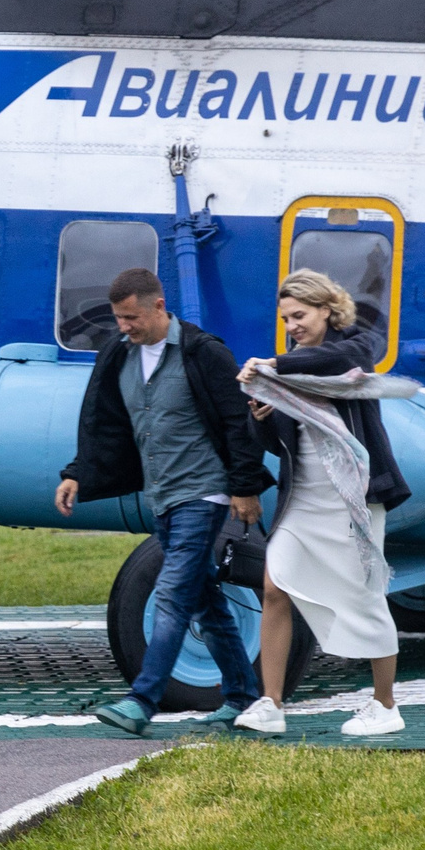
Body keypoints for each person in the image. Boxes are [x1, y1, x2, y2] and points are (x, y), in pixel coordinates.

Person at [55, 267, 272, 737]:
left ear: (158, 306)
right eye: (117, 318)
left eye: (131, 317)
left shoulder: (203, 352)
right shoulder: (118, 353)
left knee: (173, 593)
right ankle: (241, 696)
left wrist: (244, 486)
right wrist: (77, 473)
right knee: (204, 599)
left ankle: (142, 699)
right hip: (162, 495)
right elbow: (103, 422)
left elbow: (239, 422)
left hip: (204, 492)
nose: (123, 327)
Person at [233, 270, 415, 738]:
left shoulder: (354, 349)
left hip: (352, 498)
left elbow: (341, 359)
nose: (292, 326)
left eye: (300, 315)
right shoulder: (290, 367)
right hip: (304, 497)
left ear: (327, 310)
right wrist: (263, 415)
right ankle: (271, 703)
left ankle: (386, 705)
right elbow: (279, 445)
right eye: (286, 319)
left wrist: (274, 366)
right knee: (274, 587)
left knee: (365, 596)